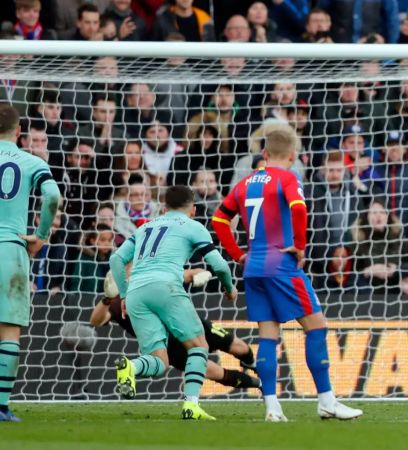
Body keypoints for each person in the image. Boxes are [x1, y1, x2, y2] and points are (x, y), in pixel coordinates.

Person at [212, 129, 362, 422]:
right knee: (316, 326)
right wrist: (301, 246)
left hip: (253, 267)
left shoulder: (245, 183)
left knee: (268, 335)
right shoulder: (288, 178)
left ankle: (272, 407)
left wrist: (237, 254)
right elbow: (298, 207)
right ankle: (327, 401)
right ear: (293, 157)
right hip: (281, 263)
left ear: (265, 154)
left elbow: (218, 219)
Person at [109, 185, 236, 420]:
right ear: (193, 209)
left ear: (164, 207)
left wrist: (125, 295)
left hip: (136, 292)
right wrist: (230, 289)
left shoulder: (145, 227)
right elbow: (219, 265)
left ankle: (132, 368)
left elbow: (116, 259)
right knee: (199, 346)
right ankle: (191, 405)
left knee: (160, 361)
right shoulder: (193, 226)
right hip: (166, 286)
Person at [91, 270, 260, 391]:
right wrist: (106, 298)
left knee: (241, 347)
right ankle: (260, 385)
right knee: (213, 371)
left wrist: (200, 274)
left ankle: (252, 364)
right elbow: (96, 321)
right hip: (170, 346)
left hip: (189, 323)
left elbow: (187, 274)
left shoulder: (149, 277)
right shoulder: (114, 304)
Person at [0, 104, 61, 422]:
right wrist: (40, 234)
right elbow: (52, 197)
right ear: (20, 132)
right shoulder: (30, 161)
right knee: (8, 332)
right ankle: (0, 407)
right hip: (10, 250)